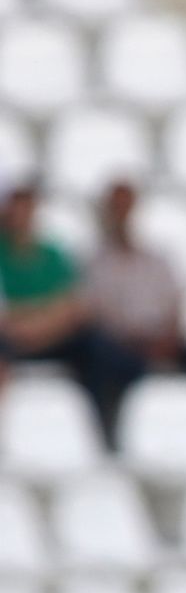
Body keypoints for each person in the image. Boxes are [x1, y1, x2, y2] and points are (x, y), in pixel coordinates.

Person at [0, 178, 144, 444]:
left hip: (44, 337)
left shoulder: (53, 254)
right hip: (14, 340)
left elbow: (76, 306)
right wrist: (46, 315)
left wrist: (32, 321)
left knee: (99, 348)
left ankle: (105, 429)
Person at [81, 180, 186, 383]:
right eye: (117, 207)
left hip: (163, 341)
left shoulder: (158, 259)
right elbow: (101, 316)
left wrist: (166, 339)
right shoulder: (96, 264)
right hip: (123, 348)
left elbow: (175, 305)